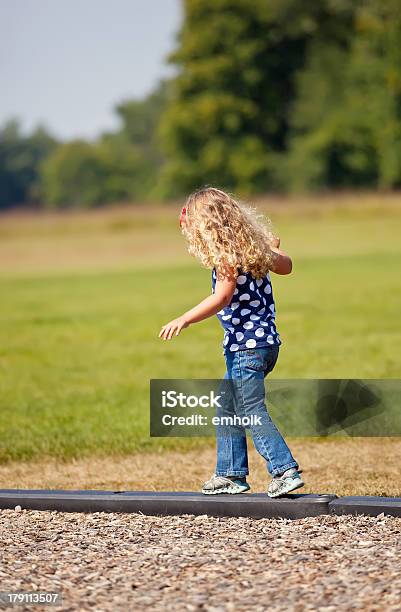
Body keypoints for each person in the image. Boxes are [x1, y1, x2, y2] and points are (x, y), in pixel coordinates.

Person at [158, 187, 304, 497]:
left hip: (246, 349)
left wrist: (184, 318)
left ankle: (284, 469)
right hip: (266, 344)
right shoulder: (253, 252)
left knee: (249, 408)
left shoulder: (226, 257)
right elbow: (287, 266)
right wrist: (269, 250)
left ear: (207, 228)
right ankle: (230, 474)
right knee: (226, 406)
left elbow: (222, 297)